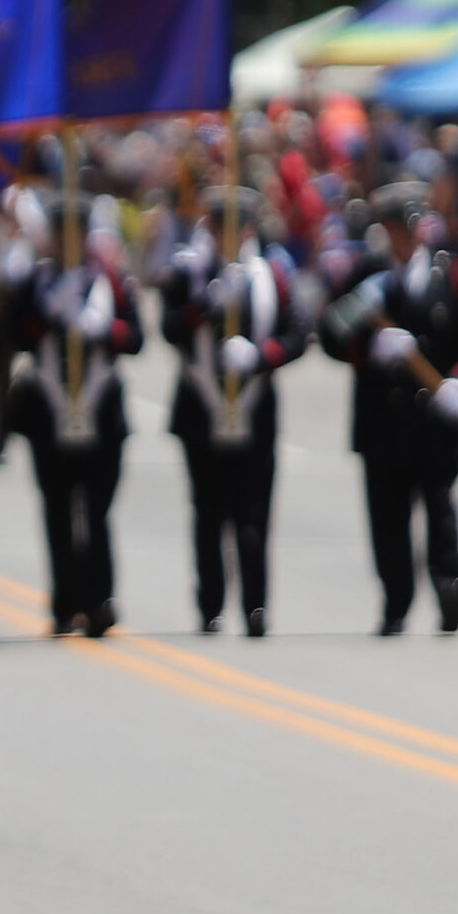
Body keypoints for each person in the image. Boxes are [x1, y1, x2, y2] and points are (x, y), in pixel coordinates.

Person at [319, 182, 458, 634]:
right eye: (396, 229)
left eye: (411, 229)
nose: (406, 238)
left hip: (435, 420)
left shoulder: (451, 274)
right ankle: (396, 601)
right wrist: (369, 349)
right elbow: (331, 334)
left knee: (441, 509)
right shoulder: (367, 277)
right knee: (388, 517)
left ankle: (451, 588)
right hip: (384, 420)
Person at [158, 188, 313, 637]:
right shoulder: (187, 272)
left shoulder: (273, 275)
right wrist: (204, 305)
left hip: (255, 406)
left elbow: (300, 333)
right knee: (207, 510)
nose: (226, 234)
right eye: (218, 224)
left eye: (235, 225)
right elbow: (167, 328)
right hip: (200, 409)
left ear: (247, 228)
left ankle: (255, 607)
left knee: (254, 513)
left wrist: (261, 356)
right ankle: (209, 604)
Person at [4, 194, 142, 637]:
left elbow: (136, 337)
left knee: (97, 512)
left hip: (100, 412)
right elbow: (11, 333)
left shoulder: (111, 281)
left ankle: (99, 600)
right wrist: (47, 315)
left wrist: (104, 328)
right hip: (49, 410)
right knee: (58, 512)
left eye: (76, 233)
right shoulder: (37, 281)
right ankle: (64, 604)